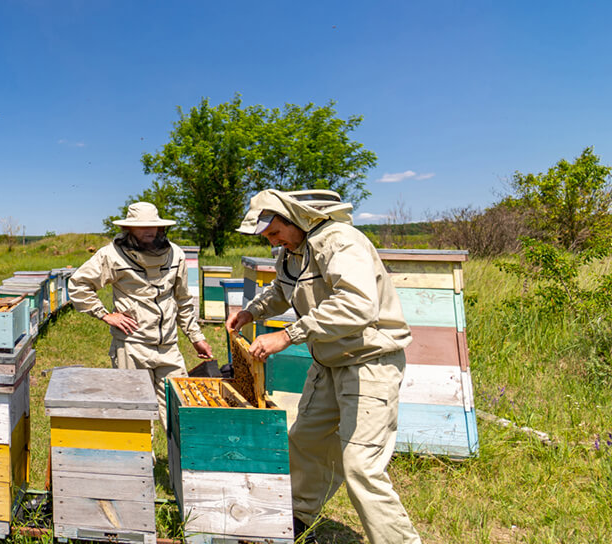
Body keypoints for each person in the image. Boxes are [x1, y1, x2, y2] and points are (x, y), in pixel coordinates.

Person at [226, 189, 422, 544]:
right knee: (306, 442)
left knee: (361, 466)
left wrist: (288, 335)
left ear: (295, 218)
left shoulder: (341, 242)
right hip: (328, 363)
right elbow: (282, 291)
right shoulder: (293, 251)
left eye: (275, 232)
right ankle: (296, 519)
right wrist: (251, 311)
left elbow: (357, 305)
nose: (273, 241)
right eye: (268, 236)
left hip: (368, 362)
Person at [68, 201, 213, 420]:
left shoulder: (176, 254)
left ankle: (177, 445)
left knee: (181, 414)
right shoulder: (111, 255)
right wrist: (104, 314)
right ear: (128, 228)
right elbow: (79, 284)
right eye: (142, 226)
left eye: (153, 225)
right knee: (136, 416)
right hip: (132, 346)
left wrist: (196, 337)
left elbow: (183, 300)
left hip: (168, 347)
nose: (149, 230)